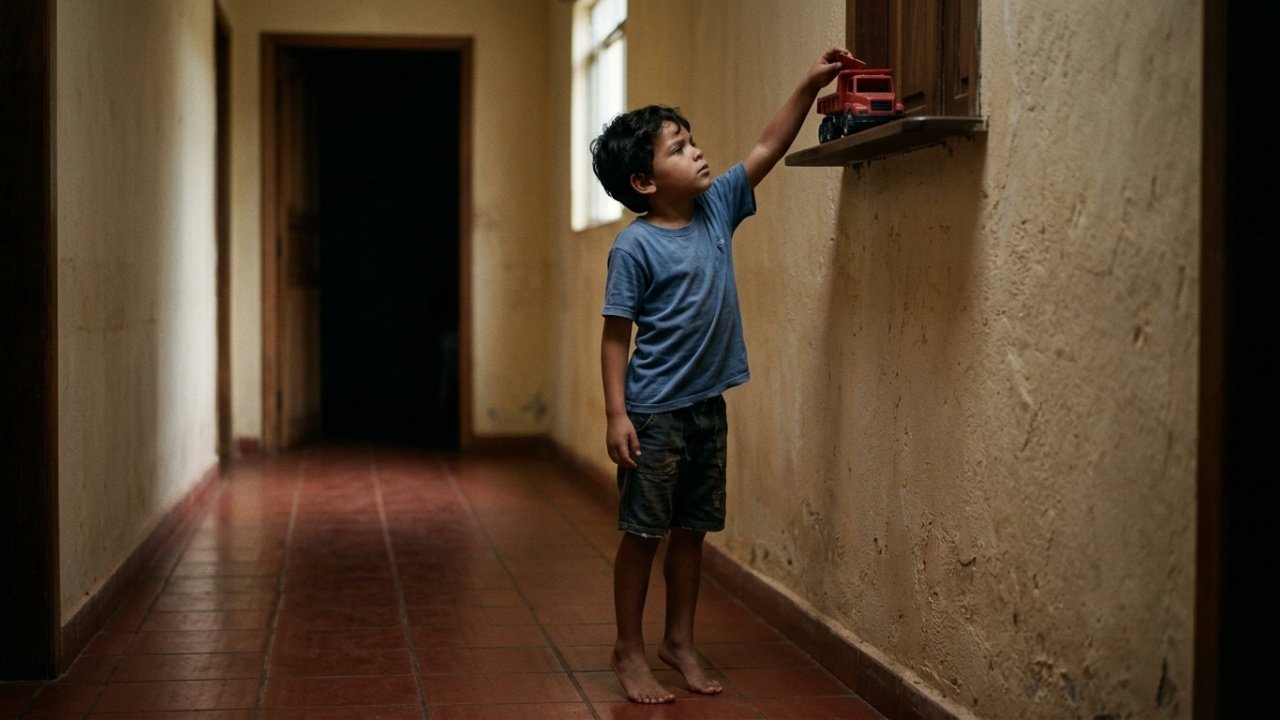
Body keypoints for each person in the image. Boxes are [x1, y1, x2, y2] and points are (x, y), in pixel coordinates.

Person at [591, 47, 852, 704]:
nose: (698, 152)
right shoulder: (635, 247)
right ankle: (628, 645)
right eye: (679, 148)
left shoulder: (717, 208)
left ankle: (679, 640)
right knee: (643, 533)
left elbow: (768, 145)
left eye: (693, 141)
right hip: (654, 413)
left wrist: (807, 83)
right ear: (644, 182)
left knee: (693, 530)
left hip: (707, 406)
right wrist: (617, 414)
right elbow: (615, 336)